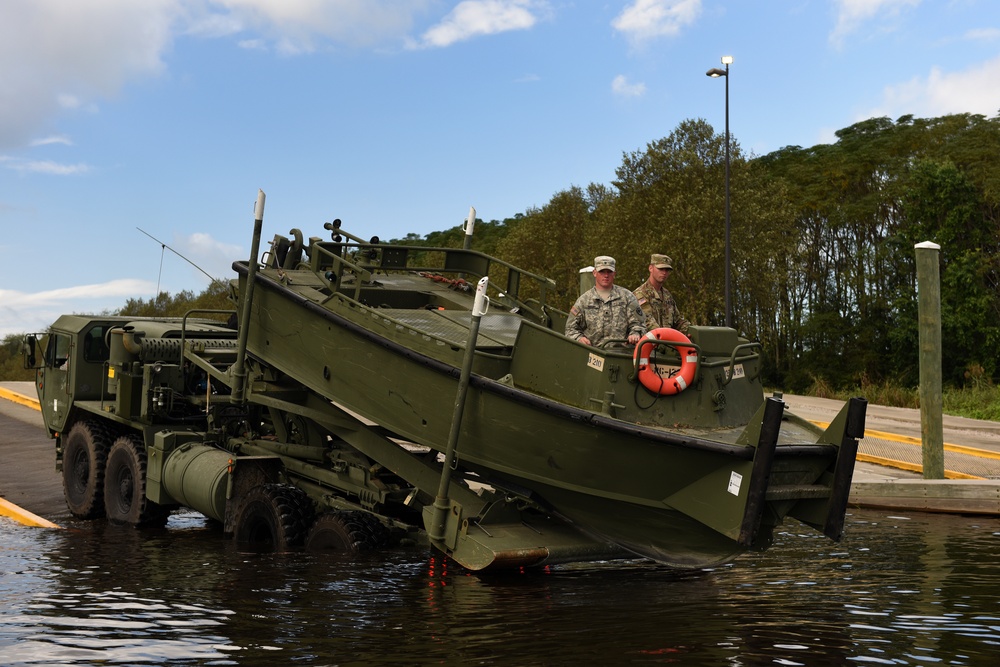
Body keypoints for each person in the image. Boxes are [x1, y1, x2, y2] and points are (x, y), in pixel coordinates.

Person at [565, 255, 648, 348]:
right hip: (593, 354)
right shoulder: (584, 301)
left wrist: (635, 333)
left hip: (621, 353)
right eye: (602, 272)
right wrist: (579, 338)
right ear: (594, 273)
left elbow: (640, 324)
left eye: (609, 272)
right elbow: (570, 329)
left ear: (614, 274)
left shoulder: (627, 297)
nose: (606, 275)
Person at [633, 253, 690, 334]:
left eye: (667, 270)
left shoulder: (667, 295)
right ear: (651, 268)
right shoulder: (640, 294)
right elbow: (647, 321)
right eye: (661, 269)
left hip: (667, 342)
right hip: (649, 343)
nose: (664, 273)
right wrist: (668, 337)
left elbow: (677, 321)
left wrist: (690, 330)